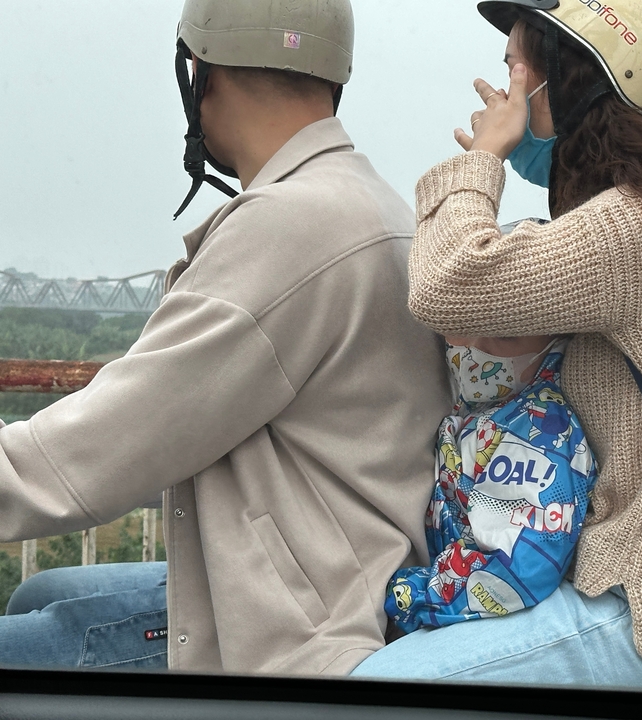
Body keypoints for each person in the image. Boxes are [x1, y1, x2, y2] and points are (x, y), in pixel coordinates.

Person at [0, 0, 449, 675]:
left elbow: (87, 456)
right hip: (353, 571)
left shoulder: (293, 227)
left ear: (200, 72)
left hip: (292, 627)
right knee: (39, 589)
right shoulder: (373, 205)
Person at [352, 0, 642, 688]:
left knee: (373, 691)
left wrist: (485, 155)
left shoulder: (635, 227)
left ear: (579, 76)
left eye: (518, 67)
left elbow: (446, 286)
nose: (504, 88)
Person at [384, 333, 596, 632]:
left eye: (504, 338)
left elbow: (518, 568)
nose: (474, 350)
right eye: (460, 326)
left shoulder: (541, 431)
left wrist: (409, 596)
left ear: (555, 340)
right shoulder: (486, 405)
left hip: (454, 613)